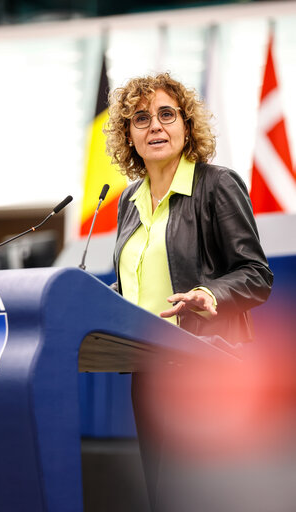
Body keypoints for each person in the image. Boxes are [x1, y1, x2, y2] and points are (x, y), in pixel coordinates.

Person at [105, 72, 273, 511]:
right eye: (141, 119)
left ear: (186, 126)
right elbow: (135, 284)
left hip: (207, 367)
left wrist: (209, 295)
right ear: (128, 136)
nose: (155, 126)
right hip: (148, 369)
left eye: (166, 114)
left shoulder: (217, 185)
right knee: (162, 497)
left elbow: (256, 274)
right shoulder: (128, 200)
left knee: (206, 498)